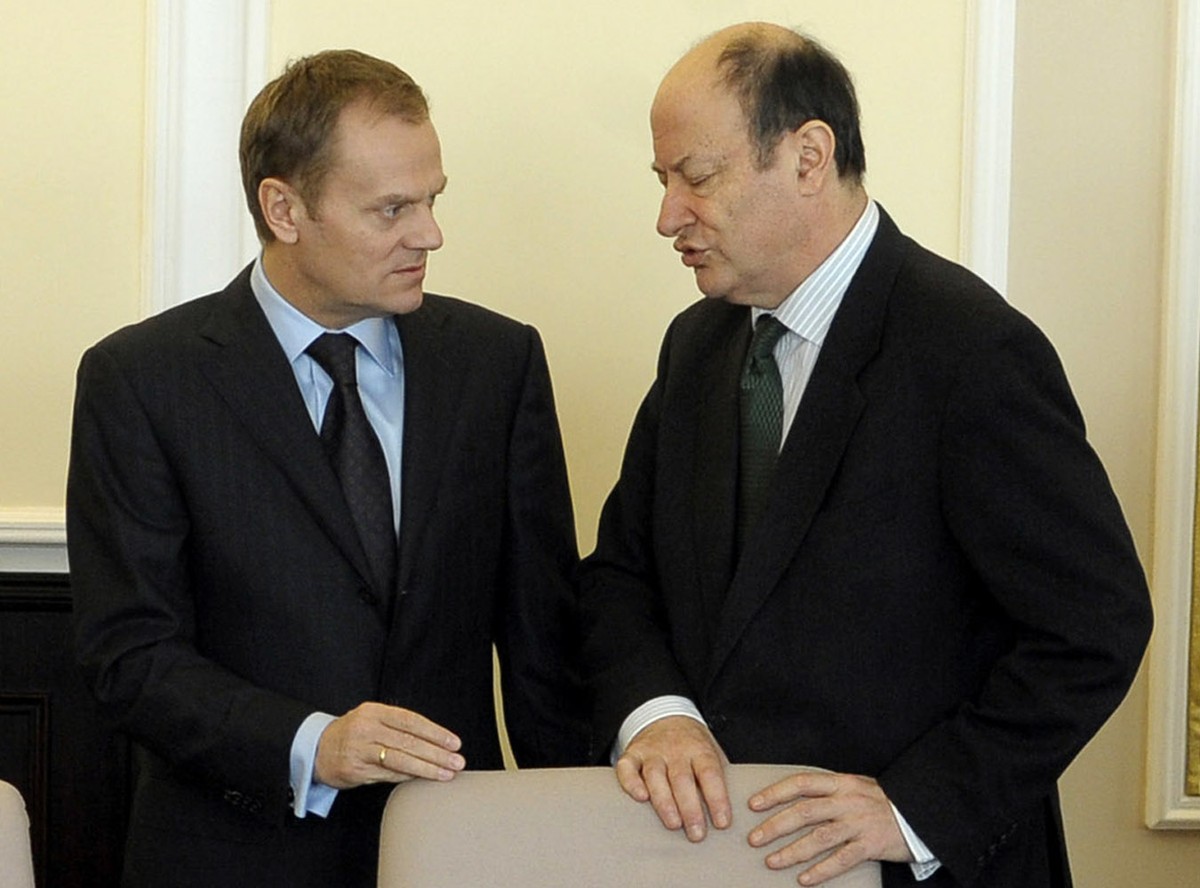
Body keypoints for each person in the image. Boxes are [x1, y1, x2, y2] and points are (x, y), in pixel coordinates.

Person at [579, 22, 1152, 888]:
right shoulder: (695, 347)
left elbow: (1095, 628)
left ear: (809, 157)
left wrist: (915, 808)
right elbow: (620, 578)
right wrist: (657, 714)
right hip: (714, 862)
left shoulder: (972, 350)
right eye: (664, 182)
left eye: (697, 176)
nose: (668, 217)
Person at [67, 49, 587, 887]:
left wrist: (581, 839)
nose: (430, 234)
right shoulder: (143, 379)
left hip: (456, 850)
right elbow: (129, 655)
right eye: (392, 209)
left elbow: (544, 645)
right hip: (231, 859)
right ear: (284, 208)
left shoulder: (497, 362)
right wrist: (313, 743)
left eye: (432, 199)